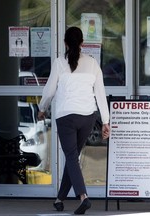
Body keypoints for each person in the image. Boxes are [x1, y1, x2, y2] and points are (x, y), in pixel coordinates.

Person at [37, 26, 110, 215]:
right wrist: (105, 121)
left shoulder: (60, 63)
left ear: (65, 43)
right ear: (82, 43)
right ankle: (59, 198)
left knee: (71, 157)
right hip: (87, 116)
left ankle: (83, 197)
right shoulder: (92, 63)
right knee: (73, 157)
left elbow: (50, 89)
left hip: (66, 116)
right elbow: (100, 93)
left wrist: (42, 108)